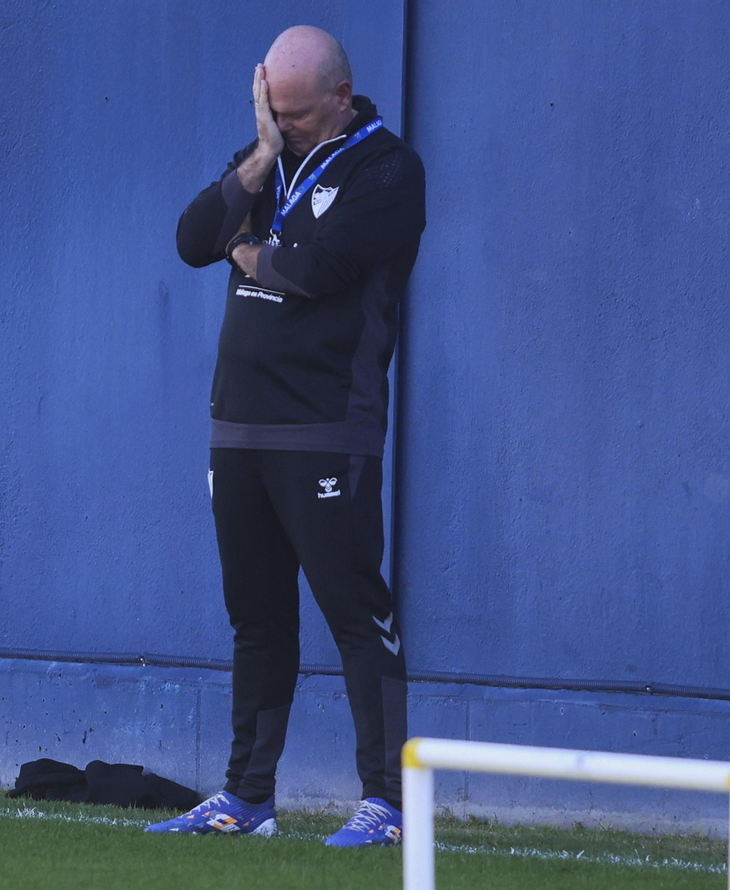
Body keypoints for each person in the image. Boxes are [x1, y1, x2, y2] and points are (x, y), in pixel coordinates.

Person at [146, 25, 426, 847]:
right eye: (275, 110)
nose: (286, 123)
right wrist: (262, 157)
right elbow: (192, 240)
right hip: (238, 427)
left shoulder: (388, 171)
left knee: (354, 612)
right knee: (257, 618)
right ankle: (246, 797)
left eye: (297, 115)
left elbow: (315, 272)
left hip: (325, 426)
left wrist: (249, 252)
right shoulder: (269, 158)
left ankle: (387, 804)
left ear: (341, 95)